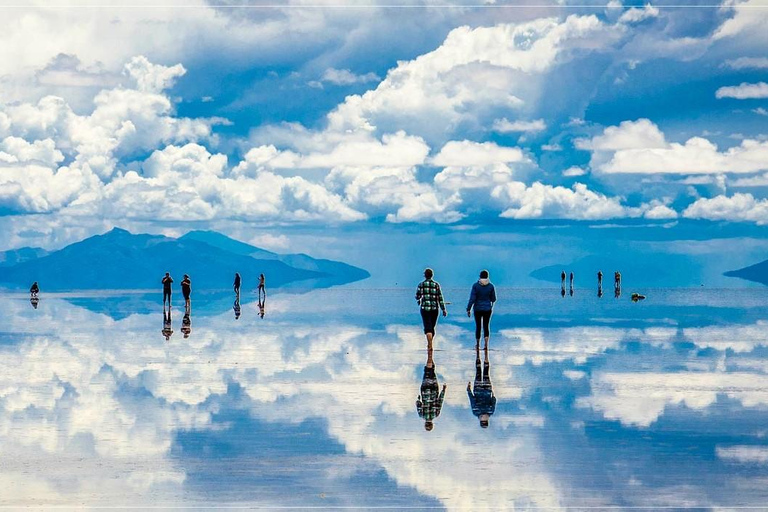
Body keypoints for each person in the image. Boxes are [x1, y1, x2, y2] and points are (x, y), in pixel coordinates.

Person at [415, 268, 447, 349]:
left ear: (425, 275)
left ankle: (429, 345)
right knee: (432, 327)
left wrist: (419, 298)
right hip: (434, 309)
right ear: (432, 275)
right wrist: (443, 309)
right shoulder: (436, 285)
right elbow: (440, 298)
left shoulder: (421, 285)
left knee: (427, 327)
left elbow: (417, 296)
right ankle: (430, 344)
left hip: (424, 308)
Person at [416, 346, 446, 431]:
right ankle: (430, 354)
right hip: (425, 390)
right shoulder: (421, 415)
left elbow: (440, 401)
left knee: (432, 372)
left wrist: (443, 390)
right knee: (427, 371)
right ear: (425, 424)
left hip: (434, 390)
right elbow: (418, 403)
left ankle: (430, 354)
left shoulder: (436, 414)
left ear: (432, 424)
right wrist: (418, 399)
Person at [467, 343, 495, 428]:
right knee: (478, 371)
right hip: (478, 389)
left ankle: (485, 356)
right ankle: (478, 355)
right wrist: (468, 390)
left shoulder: (490, 412)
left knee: (486, 372)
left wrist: (492, 393)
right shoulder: (476, 412)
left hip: (487, 390)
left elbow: (494, 400)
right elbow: (472, 400)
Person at [466, 269, 496, 349]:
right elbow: (493, 299)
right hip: (487, 309)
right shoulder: (491, 286)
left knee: (478, 326)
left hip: (477, 309)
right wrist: (490, 306)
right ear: (487, 277)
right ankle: (486, 345)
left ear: (480, 276)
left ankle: (478, 344)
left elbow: (472, 299)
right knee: (486, 326)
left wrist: (468, 309)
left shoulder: (475, 286)